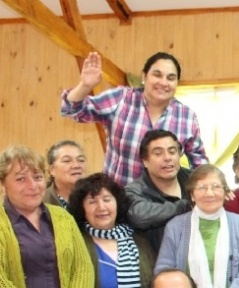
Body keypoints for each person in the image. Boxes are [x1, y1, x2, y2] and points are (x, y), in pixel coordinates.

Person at [0, 145, 94, 288]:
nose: (32, 186)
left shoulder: (63, 218)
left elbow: (83, 272)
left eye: (37, 177)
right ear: (3, 184)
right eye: (21, 179)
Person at [60, 51, 207, 187]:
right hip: (117, 201)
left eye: (171, 78)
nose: (163, 82)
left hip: (165, 205)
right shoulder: (122, 99)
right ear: (144, 76)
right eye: (157, 75)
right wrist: (85, 86)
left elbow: (199, 162)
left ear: (176, 83)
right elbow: (72, 110)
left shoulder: (186, 116)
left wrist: (208, 185)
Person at [125, 129, 192, 252]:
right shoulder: (133, 191)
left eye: (172, 152)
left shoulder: (194, 179)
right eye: (158, 153)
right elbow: (138, 216)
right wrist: (185, 206)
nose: (167, 158)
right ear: (145, 161)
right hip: (159, 265)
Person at [44, 140, 87, 208]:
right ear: (52, 170)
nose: (76, 165)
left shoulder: (95, 198)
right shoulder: (40, 202)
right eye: (67, 161)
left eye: (81, 160)